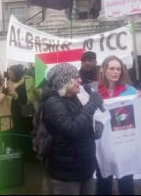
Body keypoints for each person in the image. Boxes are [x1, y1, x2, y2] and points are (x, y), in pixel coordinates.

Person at [42, 63, 103, 195]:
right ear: (65, 81)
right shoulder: (53, 102)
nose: (80, 81)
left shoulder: (74, 98)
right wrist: (92, 104)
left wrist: (97, 127)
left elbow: (84, 121)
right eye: (76, 77)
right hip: (68, 173)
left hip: (84, 168)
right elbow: (73, 128)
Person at [95, 55, 141, 195]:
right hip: (103, 146)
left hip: (124, 145)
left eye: (118, 69)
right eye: (112, 68)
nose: (115, 72)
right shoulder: (94, 92)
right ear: (103, 70)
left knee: (126, 184)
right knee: (103, 184)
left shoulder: (131, 91)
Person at [6, 64, 42, 162]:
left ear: (17, 73)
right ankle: (17, 153)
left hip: (27, 111)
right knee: (16, 132)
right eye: (9, 73)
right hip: (13, 112)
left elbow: (37, 91)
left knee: (27, 132)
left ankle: (29, 155)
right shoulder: (7, 82)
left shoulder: (29, 79)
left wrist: (44, 97)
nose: (10, 75)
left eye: (11, 73)